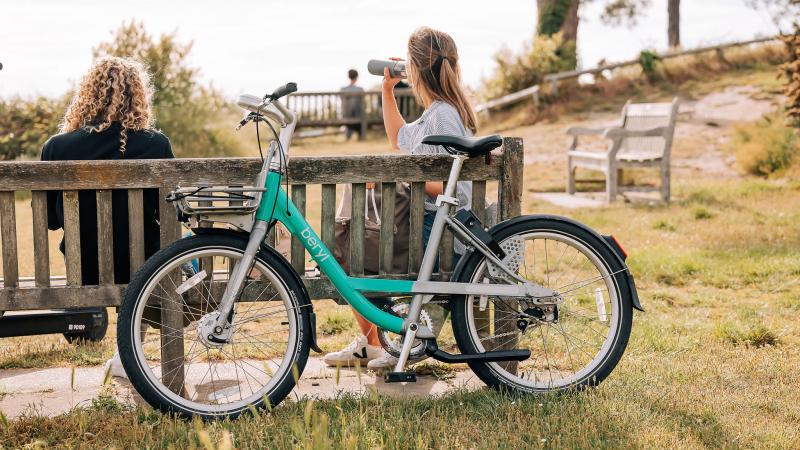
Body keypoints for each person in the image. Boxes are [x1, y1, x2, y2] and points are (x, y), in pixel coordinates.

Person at [323, 27, 477, 370]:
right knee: (355, 249)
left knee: (355, 258)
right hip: (431, 228)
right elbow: (398, 140)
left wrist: (399, 178)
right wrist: (386, 90)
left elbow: (452, 186)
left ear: (417, 69)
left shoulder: (443, 115)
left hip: (438, 235)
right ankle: (375, 343)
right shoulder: (439, 111)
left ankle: (380, 344)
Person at [41, 56, 174, 378]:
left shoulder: (57, 147)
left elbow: (51, 221)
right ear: (138, 96)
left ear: (87, 93)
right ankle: (127, 357)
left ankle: (123, 360)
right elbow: (169, 210)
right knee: (160, 253)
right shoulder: (156, 144)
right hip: (147, 268)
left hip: (84, 266)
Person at [340, 68, 365, 140]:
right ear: (357, 77)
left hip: (346, 115)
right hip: (358, 115)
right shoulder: (360, 89)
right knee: (358, 112)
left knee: (349, 112)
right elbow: (363, 104)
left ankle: (348, 135)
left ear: (348, 77)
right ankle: (360, 136)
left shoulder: (343, 89)